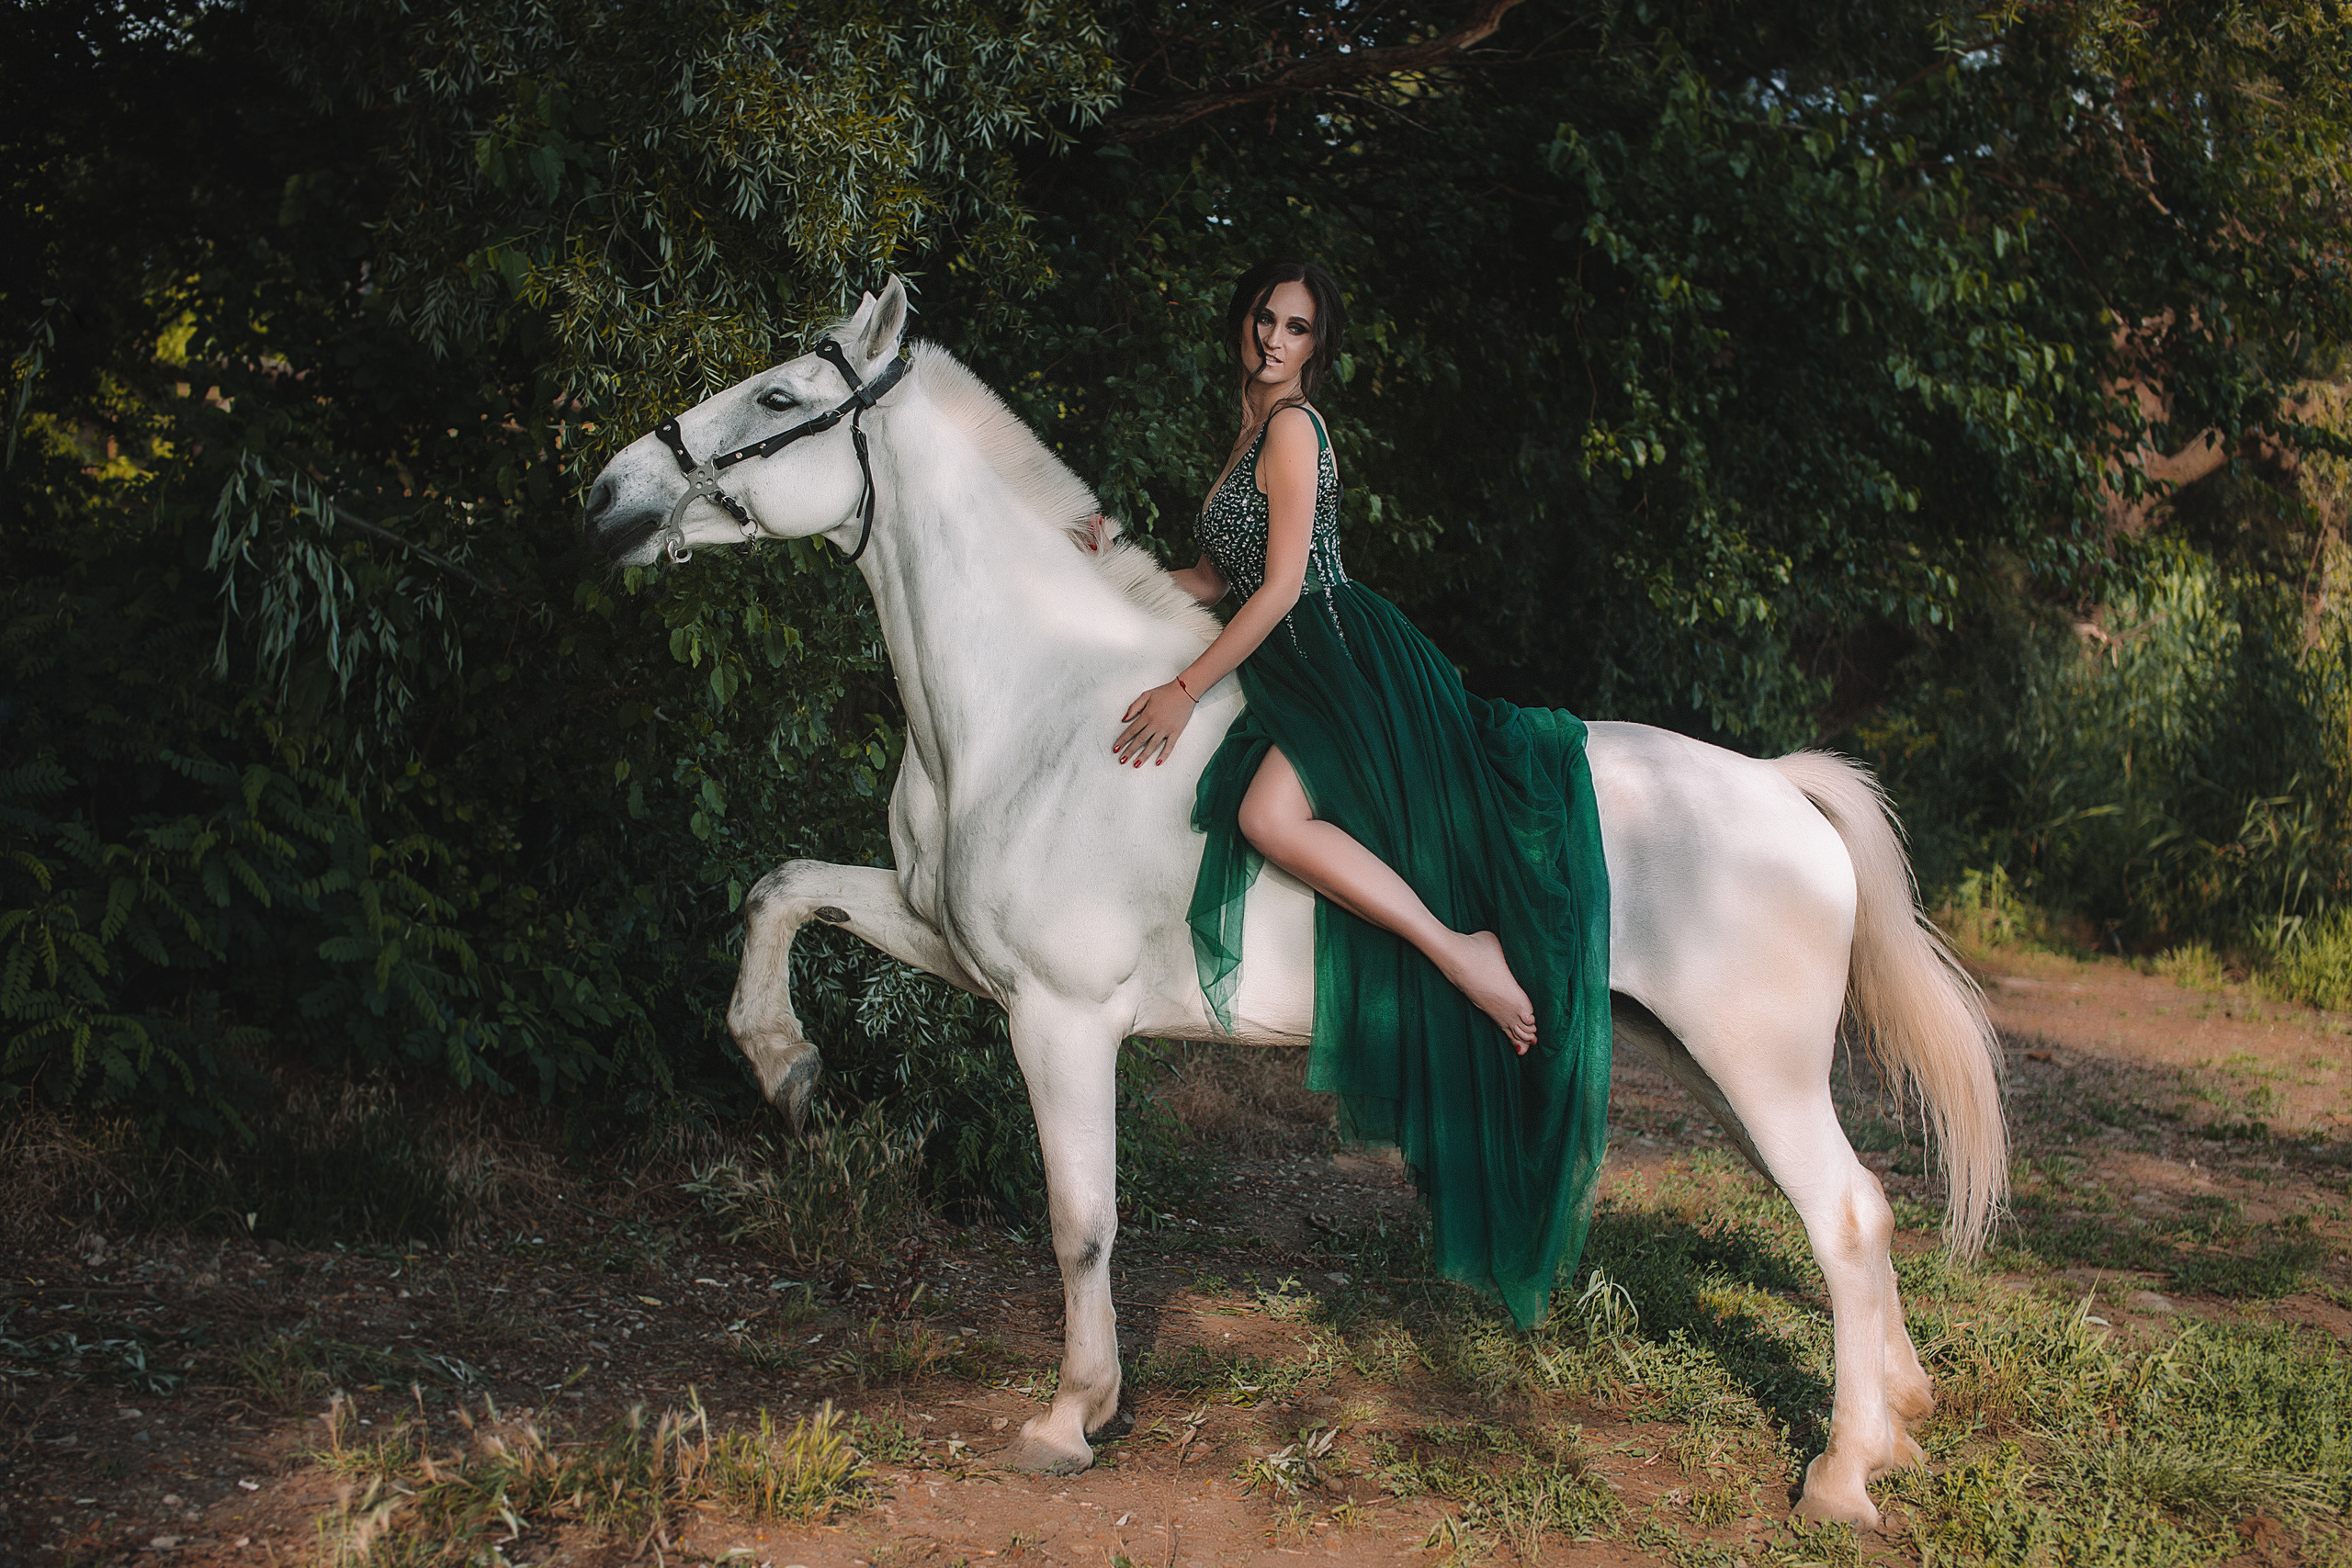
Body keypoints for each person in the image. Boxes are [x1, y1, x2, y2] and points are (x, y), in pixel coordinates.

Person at [1109, 259, 1613, 1330]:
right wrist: (1113, 565)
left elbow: (1284, 585)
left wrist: (1184, 689)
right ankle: (1446, 946)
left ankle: (1459, 950)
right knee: (1255, 807)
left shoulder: (1294, 428)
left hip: (1335, 655)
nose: (1274, 339)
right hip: (1287, 660)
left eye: (1295, 328)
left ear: (1315, 345)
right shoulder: (1245, 430)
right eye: (1264, 318)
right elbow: (1214, 579)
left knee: (1264, 815)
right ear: (1243, 321)